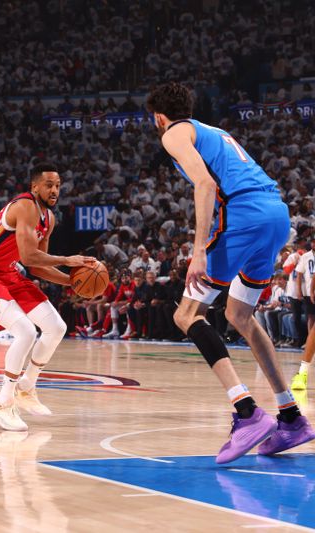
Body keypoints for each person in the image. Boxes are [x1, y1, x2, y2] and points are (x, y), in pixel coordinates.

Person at [147, 82, 314, 464]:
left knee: (186, 314)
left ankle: (247, 413)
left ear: (158, 117)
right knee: (240, 315)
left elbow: (205, 184)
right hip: (275, 213)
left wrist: (199, 248)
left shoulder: (174, 133)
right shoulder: (216, 132)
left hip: (243, 216)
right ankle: (291, 417)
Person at [0, 162, 96, 431]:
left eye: (57, 185)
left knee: (56, 327)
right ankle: (2, 403)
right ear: (34, 187)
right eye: (48, 185)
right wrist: (69, 260)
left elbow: (35, 267)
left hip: (10, 274)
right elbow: (28, 256)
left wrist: (72, 281)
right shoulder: (24, 206)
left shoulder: (50, 218)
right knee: (25, 331)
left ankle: (26, 387)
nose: (54, 189)